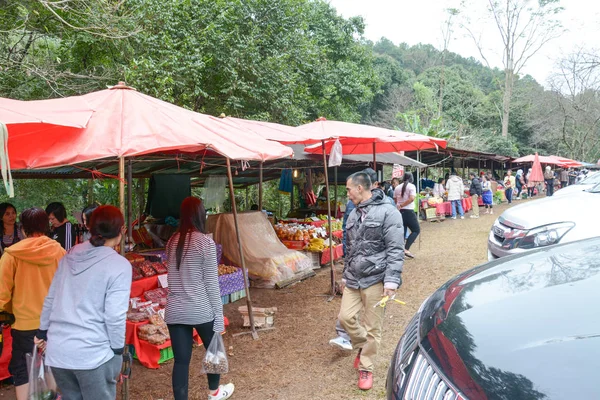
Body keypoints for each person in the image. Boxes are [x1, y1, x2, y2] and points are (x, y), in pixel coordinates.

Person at [35, 205, 131, 400]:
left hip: (59, 352)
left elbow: (51, 297)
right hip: (93, 354)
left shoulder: (70, 255)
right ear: (121, 230)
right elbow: (114, 315)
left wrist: (42, 330)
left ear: (90, 227)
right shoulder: (119, 265)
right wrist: (118, 349)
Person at [339, 171, 404, 391]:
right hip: (353, 278)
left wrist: (392, 281)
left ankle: (366, 367)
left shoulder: (389, 212)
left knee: (373, 327)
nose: (347, 194)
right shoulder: (354, 213)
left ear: (359, 188)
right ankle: (362, 346)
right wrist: (344, 275)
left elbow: (395, 249)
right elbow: (350, 249)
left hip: (376, 279)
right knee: (345, 317)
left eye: (348, 189)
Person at [165, 197, 234, 400]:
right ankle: (214, 392)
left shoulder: (171, 241)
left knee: (181, 361)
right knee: (213, 352)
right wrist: (219, 315)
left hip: (175, 310)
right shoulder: (205, 242)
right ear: (200, 215)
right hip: (200, 308)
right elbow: (212, 284)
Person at [0, 208, 65, 400]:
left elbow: (2, 292)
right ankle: (51, 397)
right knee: (51, 364)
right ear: (46, 227)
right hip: (54, 322)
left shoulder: (11, 255)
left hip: (24, 324)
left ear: (23, 229)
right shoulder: (59, 252)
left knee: (22, 367)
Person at [394, 172, 419, 258]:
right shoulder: (411, 186)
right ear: (412, 178)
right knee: (416, 230)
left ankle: (399, 251)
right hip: (408, 211)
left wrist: (399, 205)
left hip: (400, 212)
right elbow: (412, 198)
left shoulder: (397, 187)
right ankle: (406, 249)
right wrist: (403, 205)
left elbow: (395, 199)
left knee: (402, 232)